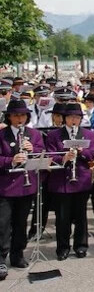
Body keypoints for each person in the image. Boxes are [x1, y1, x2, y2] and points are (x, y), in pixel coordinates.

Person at [45, 102, 94, 260]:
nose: (74, 120)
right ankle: (63, 247)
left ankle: (81, 246)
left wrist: (82, 152)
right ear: (65, 119)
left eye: (77, 117)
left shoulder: (89, 134)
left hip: (81, 179)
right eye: (70, 117)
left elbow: (93, 154)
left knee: (81, 216)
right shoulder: (54, 135)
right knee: (62, 217)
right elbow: (50, 155)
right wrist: (63, 158)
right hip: (62, 181)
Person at [0, 100, 44, 279]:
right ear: (9, 116)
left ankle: (17, 254)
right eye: (16, 115)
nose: (20, 118)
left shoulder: (34, 134)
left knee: (21, 222)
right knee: (3, 224)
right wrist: (10, 160)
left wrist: (32, 150)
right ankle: (1, 258)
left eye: (23, 115)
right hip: (5, 186)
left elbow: (42, 153)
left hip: (27, 186)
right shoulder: (1, 135)